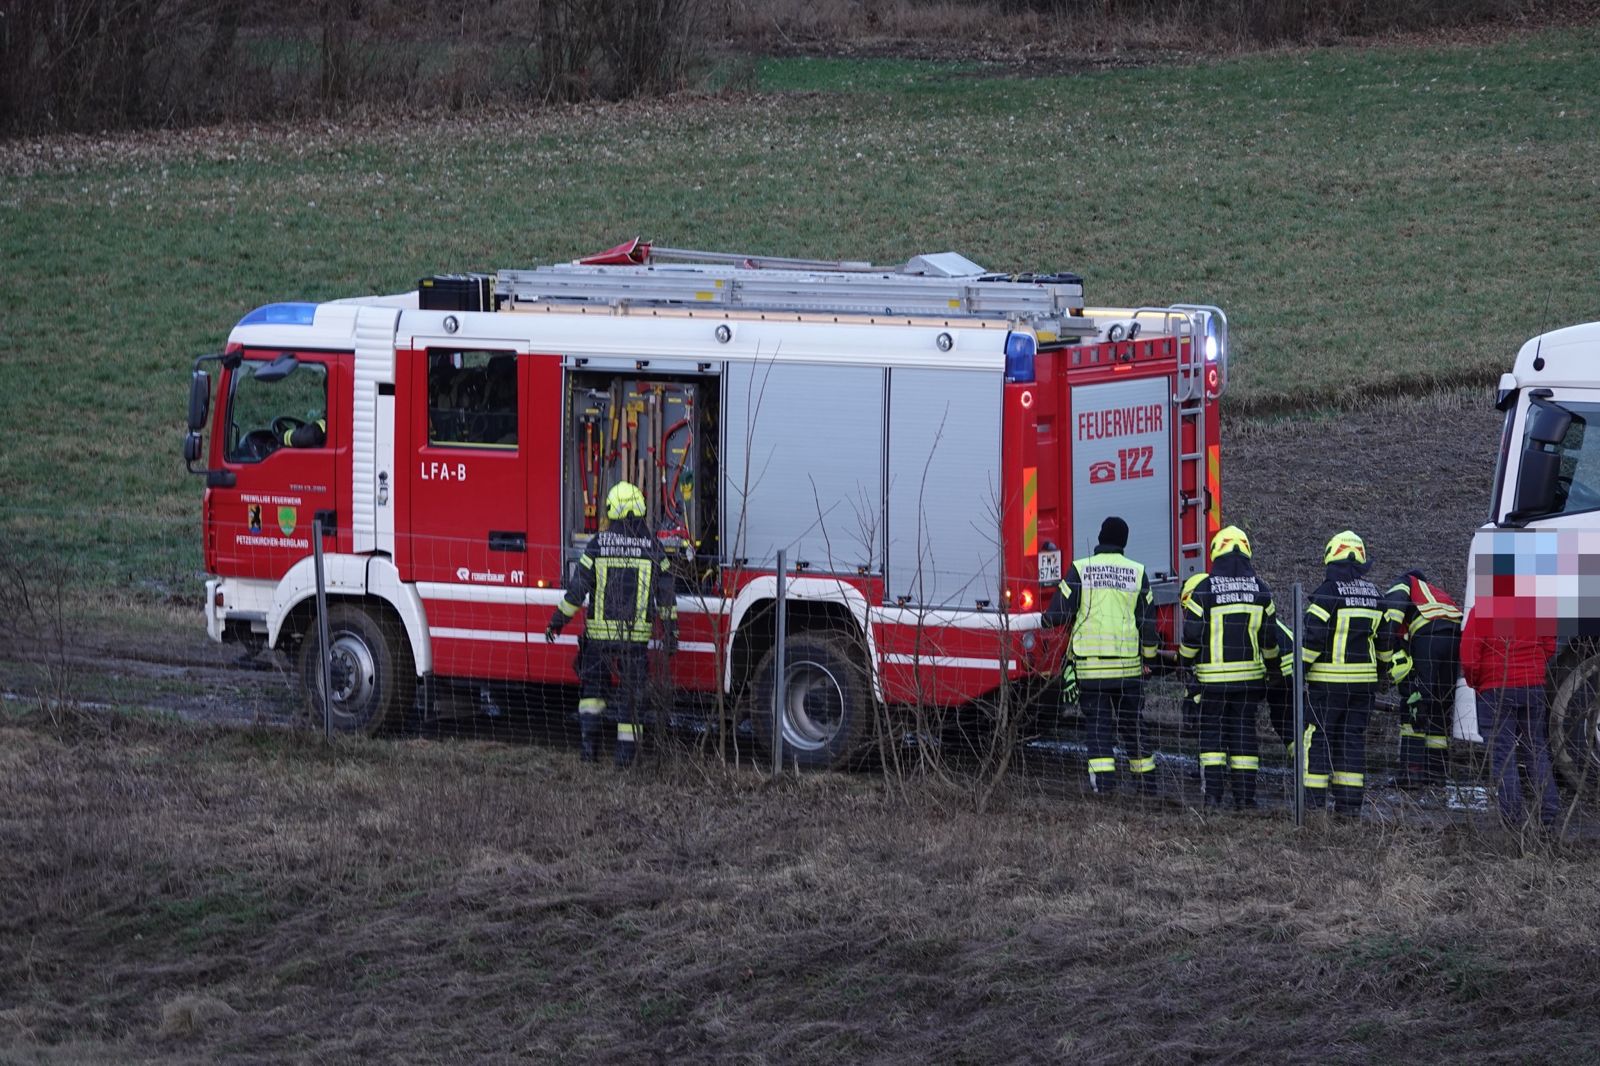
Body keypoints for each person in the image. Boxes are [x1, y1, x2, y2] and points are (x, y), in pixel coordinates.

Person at [545, 481, 677, 767]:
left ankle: (589, 751)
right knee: (632, 699)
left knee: (592, 695)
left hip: (598, 639)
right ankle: (626, 759)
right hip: (635, 640)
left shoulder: (598, 545)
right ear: (640, 510)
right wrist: (671, 632)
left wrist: (557, 622)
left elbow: (577, 591)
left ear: (612, 510)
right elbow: (666, 593)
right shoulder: (654, 547)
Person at [1042, 516, 1160, 796]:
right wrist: (1150, 660)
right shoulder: (1137, 572)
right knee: (1133, 725)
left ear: (1099, 538)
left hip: (1091, 671)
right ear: (1124, 542)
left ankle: (1103, 786)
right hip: (1129, 671)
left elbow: (1057, 615)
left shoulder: (1081, 570)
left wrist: (1043, 620)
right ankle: (1146, 785)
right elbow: (1148, 623)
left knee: (1098, 728)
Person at [1179, 525, 1281, 810]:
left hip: (1213, 682)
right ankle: (1245, 799)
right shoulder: (1260, 590)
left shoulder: (1205, 589)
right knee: (1243, 737)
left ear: (1216, 553)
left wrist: (1184, 662)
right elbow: (1269, 639)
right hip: (1250, 682)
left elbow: (1191, 634)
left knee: (1211, 737)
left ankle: (1213, 797)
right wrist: (1273, 669)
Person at [1301, 531, 1396, 816]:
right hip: (1363, 687)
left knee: (1318, 741)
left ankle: (1315, 809)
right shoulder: (1376, 596)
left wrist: (1299, 671)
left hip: (1327, 685)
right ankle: (1349, 809)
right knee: (1351, 743)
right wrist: (1380, 673)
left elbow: (1313, 638)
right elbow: (1386, 642)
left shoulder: (1326, 594)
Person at [1460, 597, 1559, 830]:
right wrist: (1531, 669)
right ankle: (1548, 815)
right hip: (1532, 687)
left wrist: (1477, 682)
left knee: (1503, 754)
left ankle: (1512, 821)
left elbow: (1469, 653)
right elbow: (1550, 647)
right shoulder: (1536, 608)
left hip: (1495, 690)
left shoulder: (1484, 609)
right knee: (1536, 749)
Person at [1383, 570, 1464, 789]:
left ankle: (1411, 774)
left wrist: (1384, 645)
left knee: (1415, 702)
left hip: (1429, 636)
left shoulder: (1405, 583)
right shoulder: (1435, 593)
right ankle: (1436, 774)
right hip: (1456, 639)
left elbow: (1391, 616)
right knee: (1440, 705)